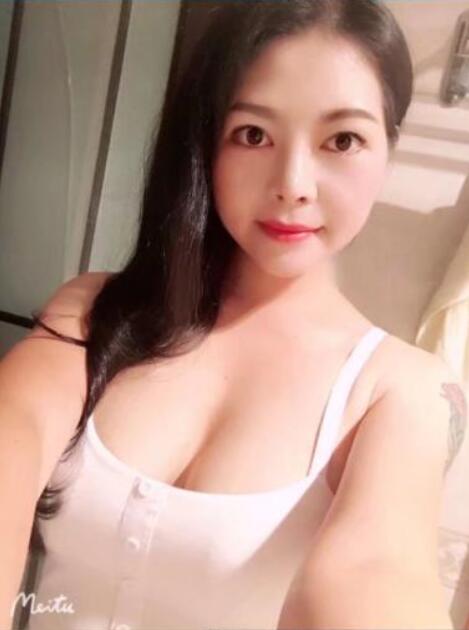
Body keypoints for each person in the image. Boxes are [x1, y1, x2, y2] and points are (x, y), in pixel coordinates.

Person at [0, 0, 466, 628]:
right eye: (253, 134)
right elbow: (12, 435)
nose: (293, 183)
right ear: (206, 141)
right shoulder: (93, 313)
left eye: (342, 140)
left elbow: (378, 571)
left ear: (388, 149)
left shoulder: (401, 390)